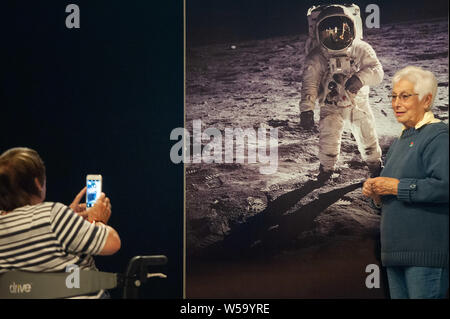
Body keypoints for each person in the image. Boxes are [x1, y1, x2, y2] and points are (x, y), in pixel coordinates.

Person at [362, 66, 449, 299]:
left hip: (424, 256)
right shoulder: (401, 141)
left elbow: (444, 186)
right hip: (395, 255)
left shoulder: (438, 136)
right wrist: (377, 197)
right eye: (393, 96)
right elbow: (391, 199)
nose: (396, 103)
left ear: (427, 99)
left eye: (404, 96)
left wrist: (395, 187)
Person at [0, 147, 121, 298]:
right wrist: (97, 220)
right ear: (38, 183)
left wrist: (69, 219)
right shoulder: (52, 215)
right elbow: (112, 243)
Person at [300, 4, 383, 181]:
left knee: (367, 136)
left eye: (343, 30)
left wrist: (360, 78)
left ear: (352, 28)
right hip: (330, 106)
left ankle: (375, 165)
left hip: (357, 104)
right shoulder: (317, 57)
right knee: (328, 139)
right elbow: (310, 84)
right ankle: (326, 169)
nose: (337, 36)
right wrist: (306, 109)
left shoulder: (360, 49)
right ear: (319, 33)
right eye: (329, 32)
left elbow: (377, 71)